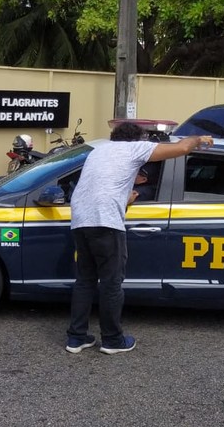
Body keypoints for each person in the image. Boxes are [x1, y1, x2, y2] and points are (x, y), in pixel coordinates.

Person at [66, 122, 213, 355]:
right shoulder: (134, 148)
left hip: (81, 220)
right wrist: (198, 139)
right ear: (138, 139)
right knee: (111, 283)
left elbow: (106, 184)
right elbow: (182, 149)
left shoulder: (99, 150)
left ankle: (76, 338)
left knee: (85, 281)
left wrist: (126, 199)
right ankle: (112, 340)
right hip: (106, 223)